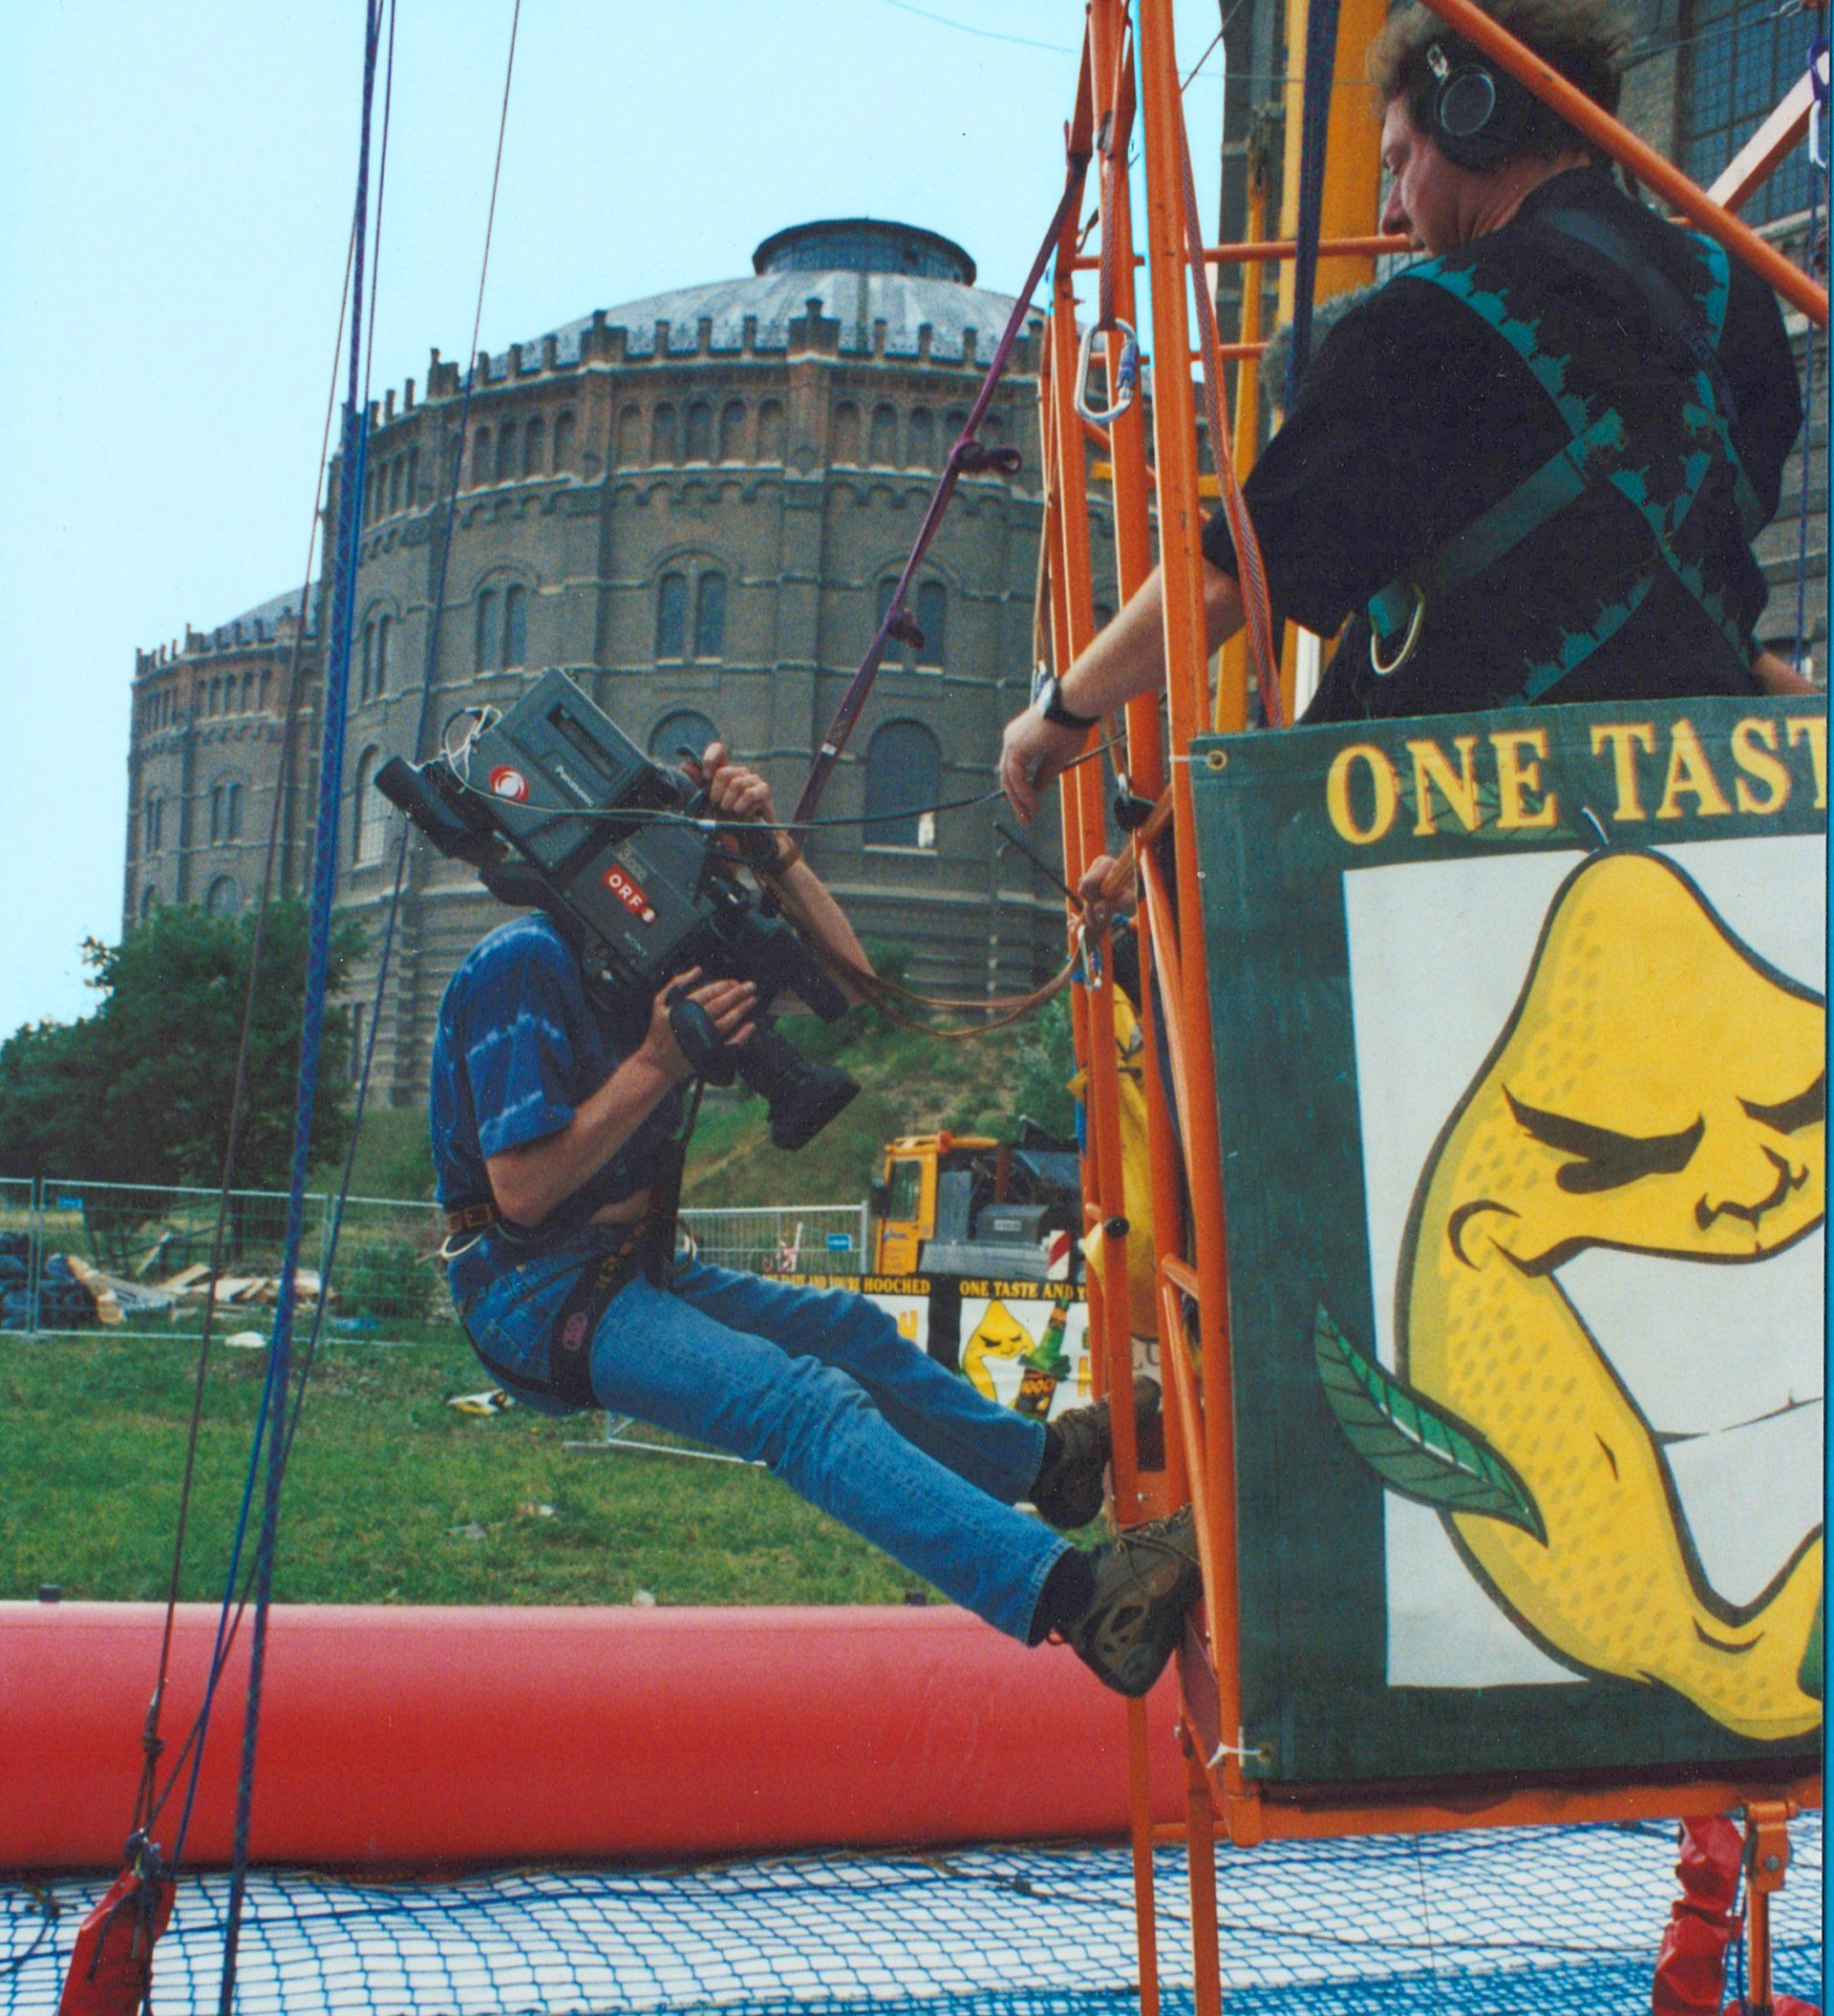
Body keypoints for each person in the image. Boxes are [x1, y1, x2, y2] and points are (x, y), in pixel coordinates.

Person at [430, 740, 1199, 1697]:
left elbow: (855, 978)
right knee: (796, 1403)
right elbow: (523, 1193)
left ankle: (1048, 1464)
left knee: (849, 1333)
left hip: (630, 1265)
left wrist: (778, 857)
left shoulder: (659, 948)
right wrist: (658, 1065)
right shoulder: (525, 964)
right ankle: (1082, 1600)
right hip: (533, 1293)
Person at [1001, 0, 1808, 846]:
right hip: (1714, 810)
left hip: (1492, 833)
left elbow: (1230, 575)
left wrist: (1061, 710)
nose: (1391, 212)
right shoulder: (1740, 301)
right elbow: (1711, 582)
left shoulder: (1420, 321)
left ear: (1472, 121)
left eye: (1399, 161)